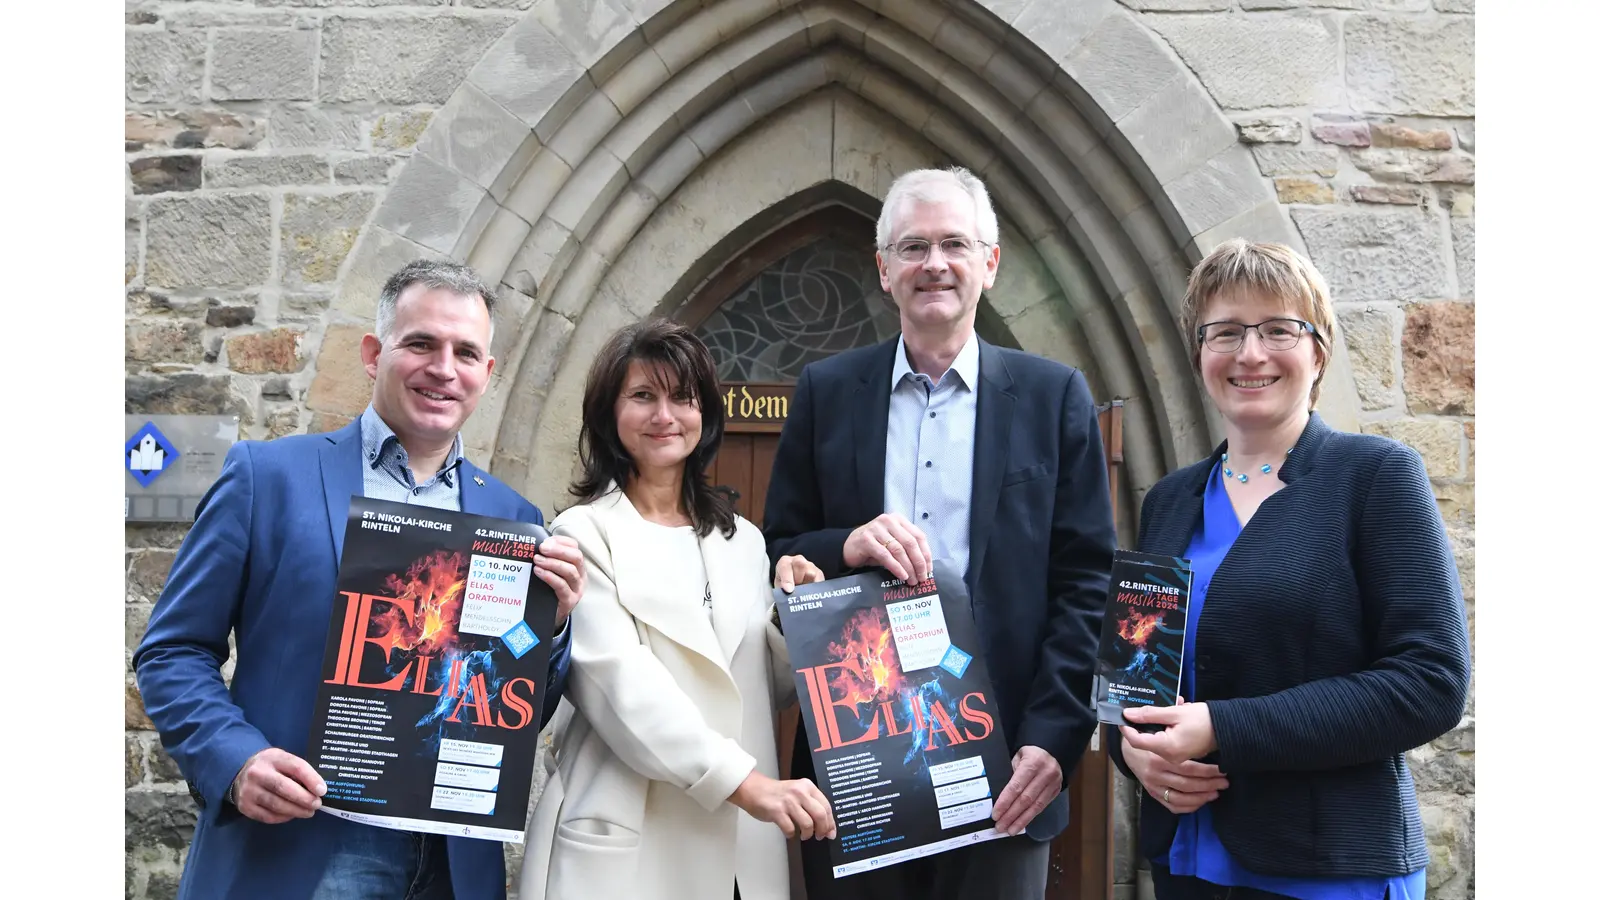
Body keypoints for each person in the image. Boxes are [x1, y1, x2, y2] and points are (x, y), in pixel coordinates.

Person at [133, 260, 587, 900]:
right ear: (374, 354)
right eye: (421, 343)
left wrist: (553, 626)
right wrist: (235, 760)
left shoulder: (513, 518)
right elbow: (172, 651)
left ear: (487, 375)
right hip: (299, 849)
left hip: (451, 866)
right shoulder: (267, 478)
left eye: (465, 352)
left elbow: (513, 713)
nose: (443, 368)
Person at [761, 166, 1118, 900]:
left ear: (990, 262)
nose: (934, 264)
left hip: (1005, 771)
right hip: (862, 762)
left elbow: (1087, 583)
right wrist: (842, 548)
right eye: (913, 246)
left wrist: (1053, 740)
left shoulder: (1055, 398)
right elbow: (778, 549)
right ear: (883, 268)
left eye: (954, 243)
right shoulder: (827, 391)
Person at [1110, 239, 1471, 900]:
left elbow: (1432, 681)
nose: (1250, 353)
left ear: (1318, 351)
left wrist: (1223, 727)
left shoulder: (1376, 477)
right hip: (1186, 865)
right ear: (1200, 355)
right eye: (1225, 332)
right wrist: (1131, 752)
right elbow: (1133, 678)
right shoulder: (1170, 499)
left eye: (1278, 329)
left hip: (1328, 867)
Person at [520, 320, 835, 900]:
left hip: (742, 852)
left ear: (705, 414)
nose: (665, 415)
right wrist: (750, 785)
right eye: (643, 396)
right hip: (635, 845)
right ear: (609, 414)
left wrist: (797, 617)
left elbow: (770, 689)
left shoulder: (744, 540)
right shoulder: (582, 534)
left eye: (682, 398)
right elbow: (624, 692)